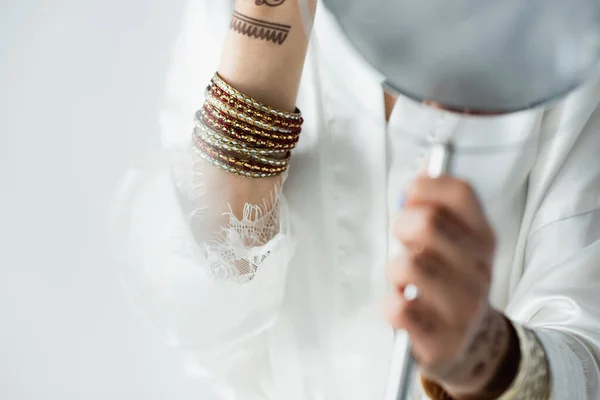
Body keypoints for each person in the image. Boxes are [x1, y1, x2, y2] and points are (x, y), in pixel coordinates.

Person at [117, 0, 600, 398]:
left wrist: (488, 359)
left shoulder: (566, 32)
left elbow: (587, 351)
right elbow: (195, 318)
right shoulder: (220, 14)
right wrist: (264, 34)